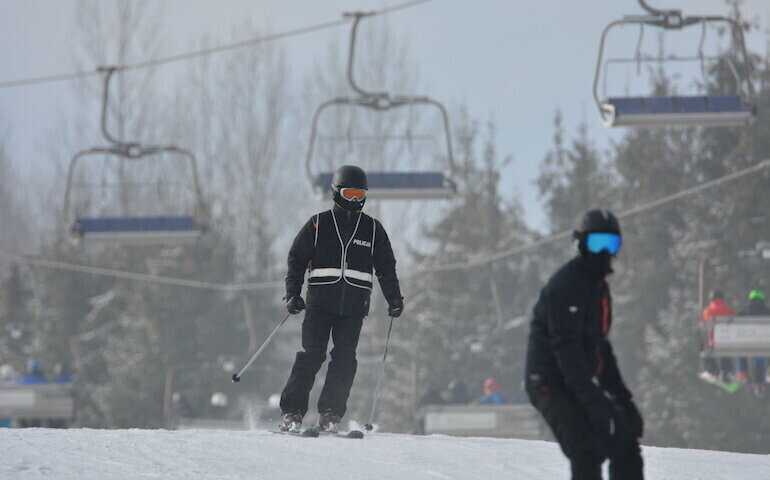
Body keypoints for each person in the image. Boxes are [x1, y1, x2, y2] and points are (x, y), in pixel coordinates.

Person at [279, 165, 403, 433]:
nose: (355, 200)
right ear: (336, 193)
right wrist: (293, 294)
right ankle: (292, 412)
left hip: (354, 307)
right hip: (319, 304)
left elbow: (386, 268)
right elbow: (296, 260)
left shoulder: (372, 230)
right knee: (312, 355)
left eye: (360, 194)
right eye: (350, 193)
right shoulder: (318, 223)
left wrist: (394, 298)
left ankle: (330, 414)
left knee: (345, 358)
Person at [525, 209, 644, 480]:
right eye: (596, 243)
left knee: (625, 444)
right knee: (586, 450)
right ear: (579, 243)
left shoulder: (597, 287)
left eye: (611, 244)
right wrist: (594, 401)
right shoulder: (567, 285)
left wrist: (623, 401)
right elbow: (566, 351)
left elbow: (601, 348)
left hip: (576, 380)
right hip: (549, 383)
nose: (603, 252)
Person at [699, 290, 736, 381]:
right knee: (725, 349)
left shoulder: (707, 311)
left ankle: (713, 371)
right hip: (727, 342)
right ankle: (727, 372)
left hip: (713, 343)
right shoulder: (729, 310)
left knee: (703, 348)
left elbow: (703, 325)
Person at [738, 289, 768, 397]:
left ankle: (743, 371)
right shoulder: (767, 311)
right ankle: (760, 379)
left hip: (747, 343)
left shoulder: (745, 312)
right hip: (763, 343)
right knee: (760, 357)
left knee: (741, 351)